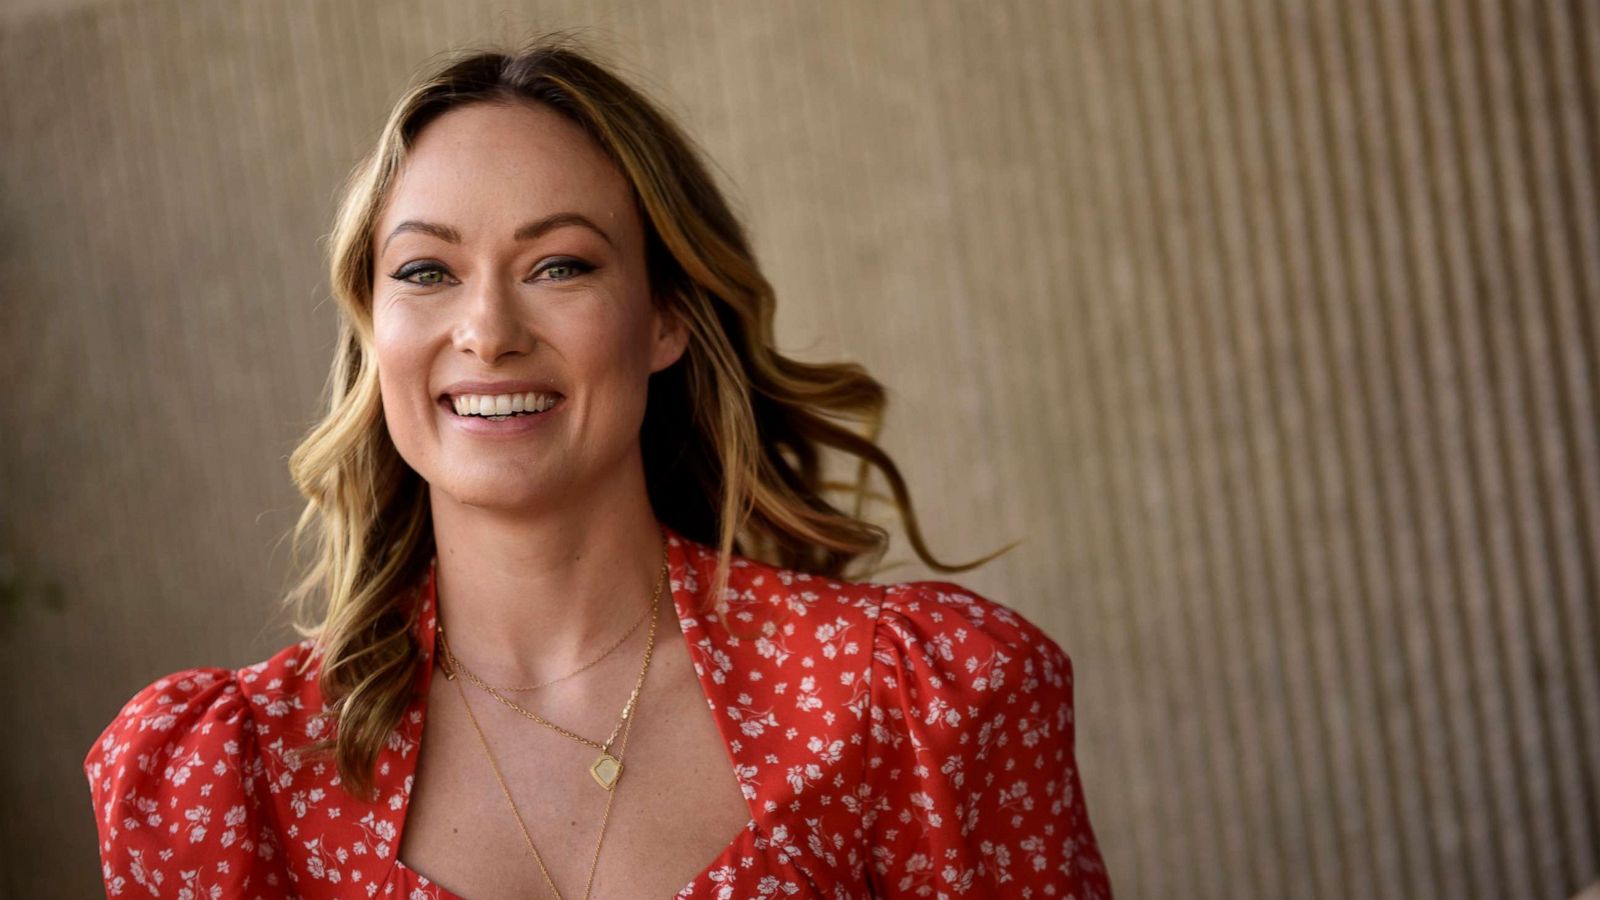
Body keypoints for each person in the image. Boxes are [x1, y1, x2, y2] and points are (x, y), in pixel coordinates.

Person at [83, 34, 1113, 899]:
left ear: (665, 314)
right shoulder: (226, 778)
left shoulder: (914, 707)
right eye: (426, 272)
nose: (486, 331)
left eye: (559, 265)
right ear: (372, 329)